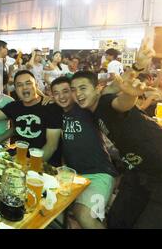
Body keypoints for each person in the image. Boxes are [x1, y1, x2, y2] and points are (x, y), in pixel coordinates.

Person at [71, 69, 162, 228]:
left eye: (83, 88)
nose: (77, 94)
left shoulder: (105, 104)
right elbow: (113, 86)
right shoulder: (94, 106)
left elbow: (121, 104)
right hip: (138, 170)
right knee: (117, 221)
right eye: (74, 90)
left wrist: (131, 95)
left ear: (97, 88)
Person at [51, 76, 118, 229]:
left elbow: (106, 92)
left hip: (99, 173)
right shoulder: (56, 114)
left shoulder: (86, 109)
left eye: (66, 91)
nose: (61, 96)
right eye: (56, 93)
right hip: (73, 176)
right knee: (49, 207)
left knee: (84, 216)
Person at [0, 70, 63, 166]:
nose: (24, 87)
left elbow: (51, 146)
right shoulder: (14, 107)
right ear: (15, 89)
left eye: (28, 83)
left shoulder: (50, 107)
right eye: (19, 85)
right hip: (18, 160)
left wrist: (31, 165)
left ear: (37, 85)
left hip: (45, 167)